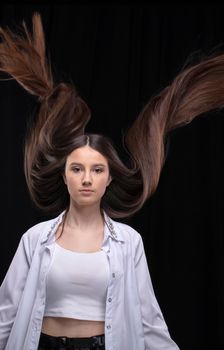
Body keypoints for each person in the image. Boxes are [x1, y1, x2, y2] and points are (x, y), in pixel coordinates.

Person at [1, 13, 224, 350]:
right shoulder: (35, 240)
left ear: (109, 179)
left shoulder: (128, 243)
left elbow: (150, 324)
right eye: (77, 169)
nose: (86, 179)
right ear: (64, 177)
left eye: (97, 170)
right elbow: (5, 315)